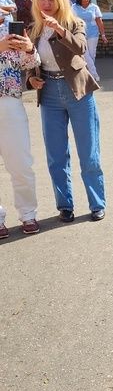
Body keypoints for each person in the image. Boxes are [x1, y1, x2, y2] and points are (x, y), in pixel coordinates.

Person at [27, 0, 105, 222]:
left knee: (88, 152)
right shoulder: (33, 29)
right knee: (56, 155)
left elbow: (81, 48)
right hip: (49, 93)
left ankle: (97, 203)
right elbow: (30, 61)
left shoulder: (74, 22)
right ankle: (65, 205)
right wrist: (31, 79)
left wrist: (60, 30)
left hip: (77, 90)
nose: (46, 3)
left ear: (60, 0)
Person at [0, 24, 40, 238]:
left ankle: (28, 213)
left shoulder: (10, 29)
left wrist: (29, 48)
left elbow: (32, 63)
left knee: (21, 162)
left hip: (11, 102)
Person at [72, 0, 107, 82]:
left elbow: (99, 21)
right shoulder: (74, 8)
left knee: (92, 55)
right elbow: (72, 22)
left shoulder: (94, 7)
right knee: (85, 54)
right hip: (80, 34)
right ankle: (94, 74)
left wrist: (103, 34)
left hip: (93, 34)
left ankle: (88, 74)